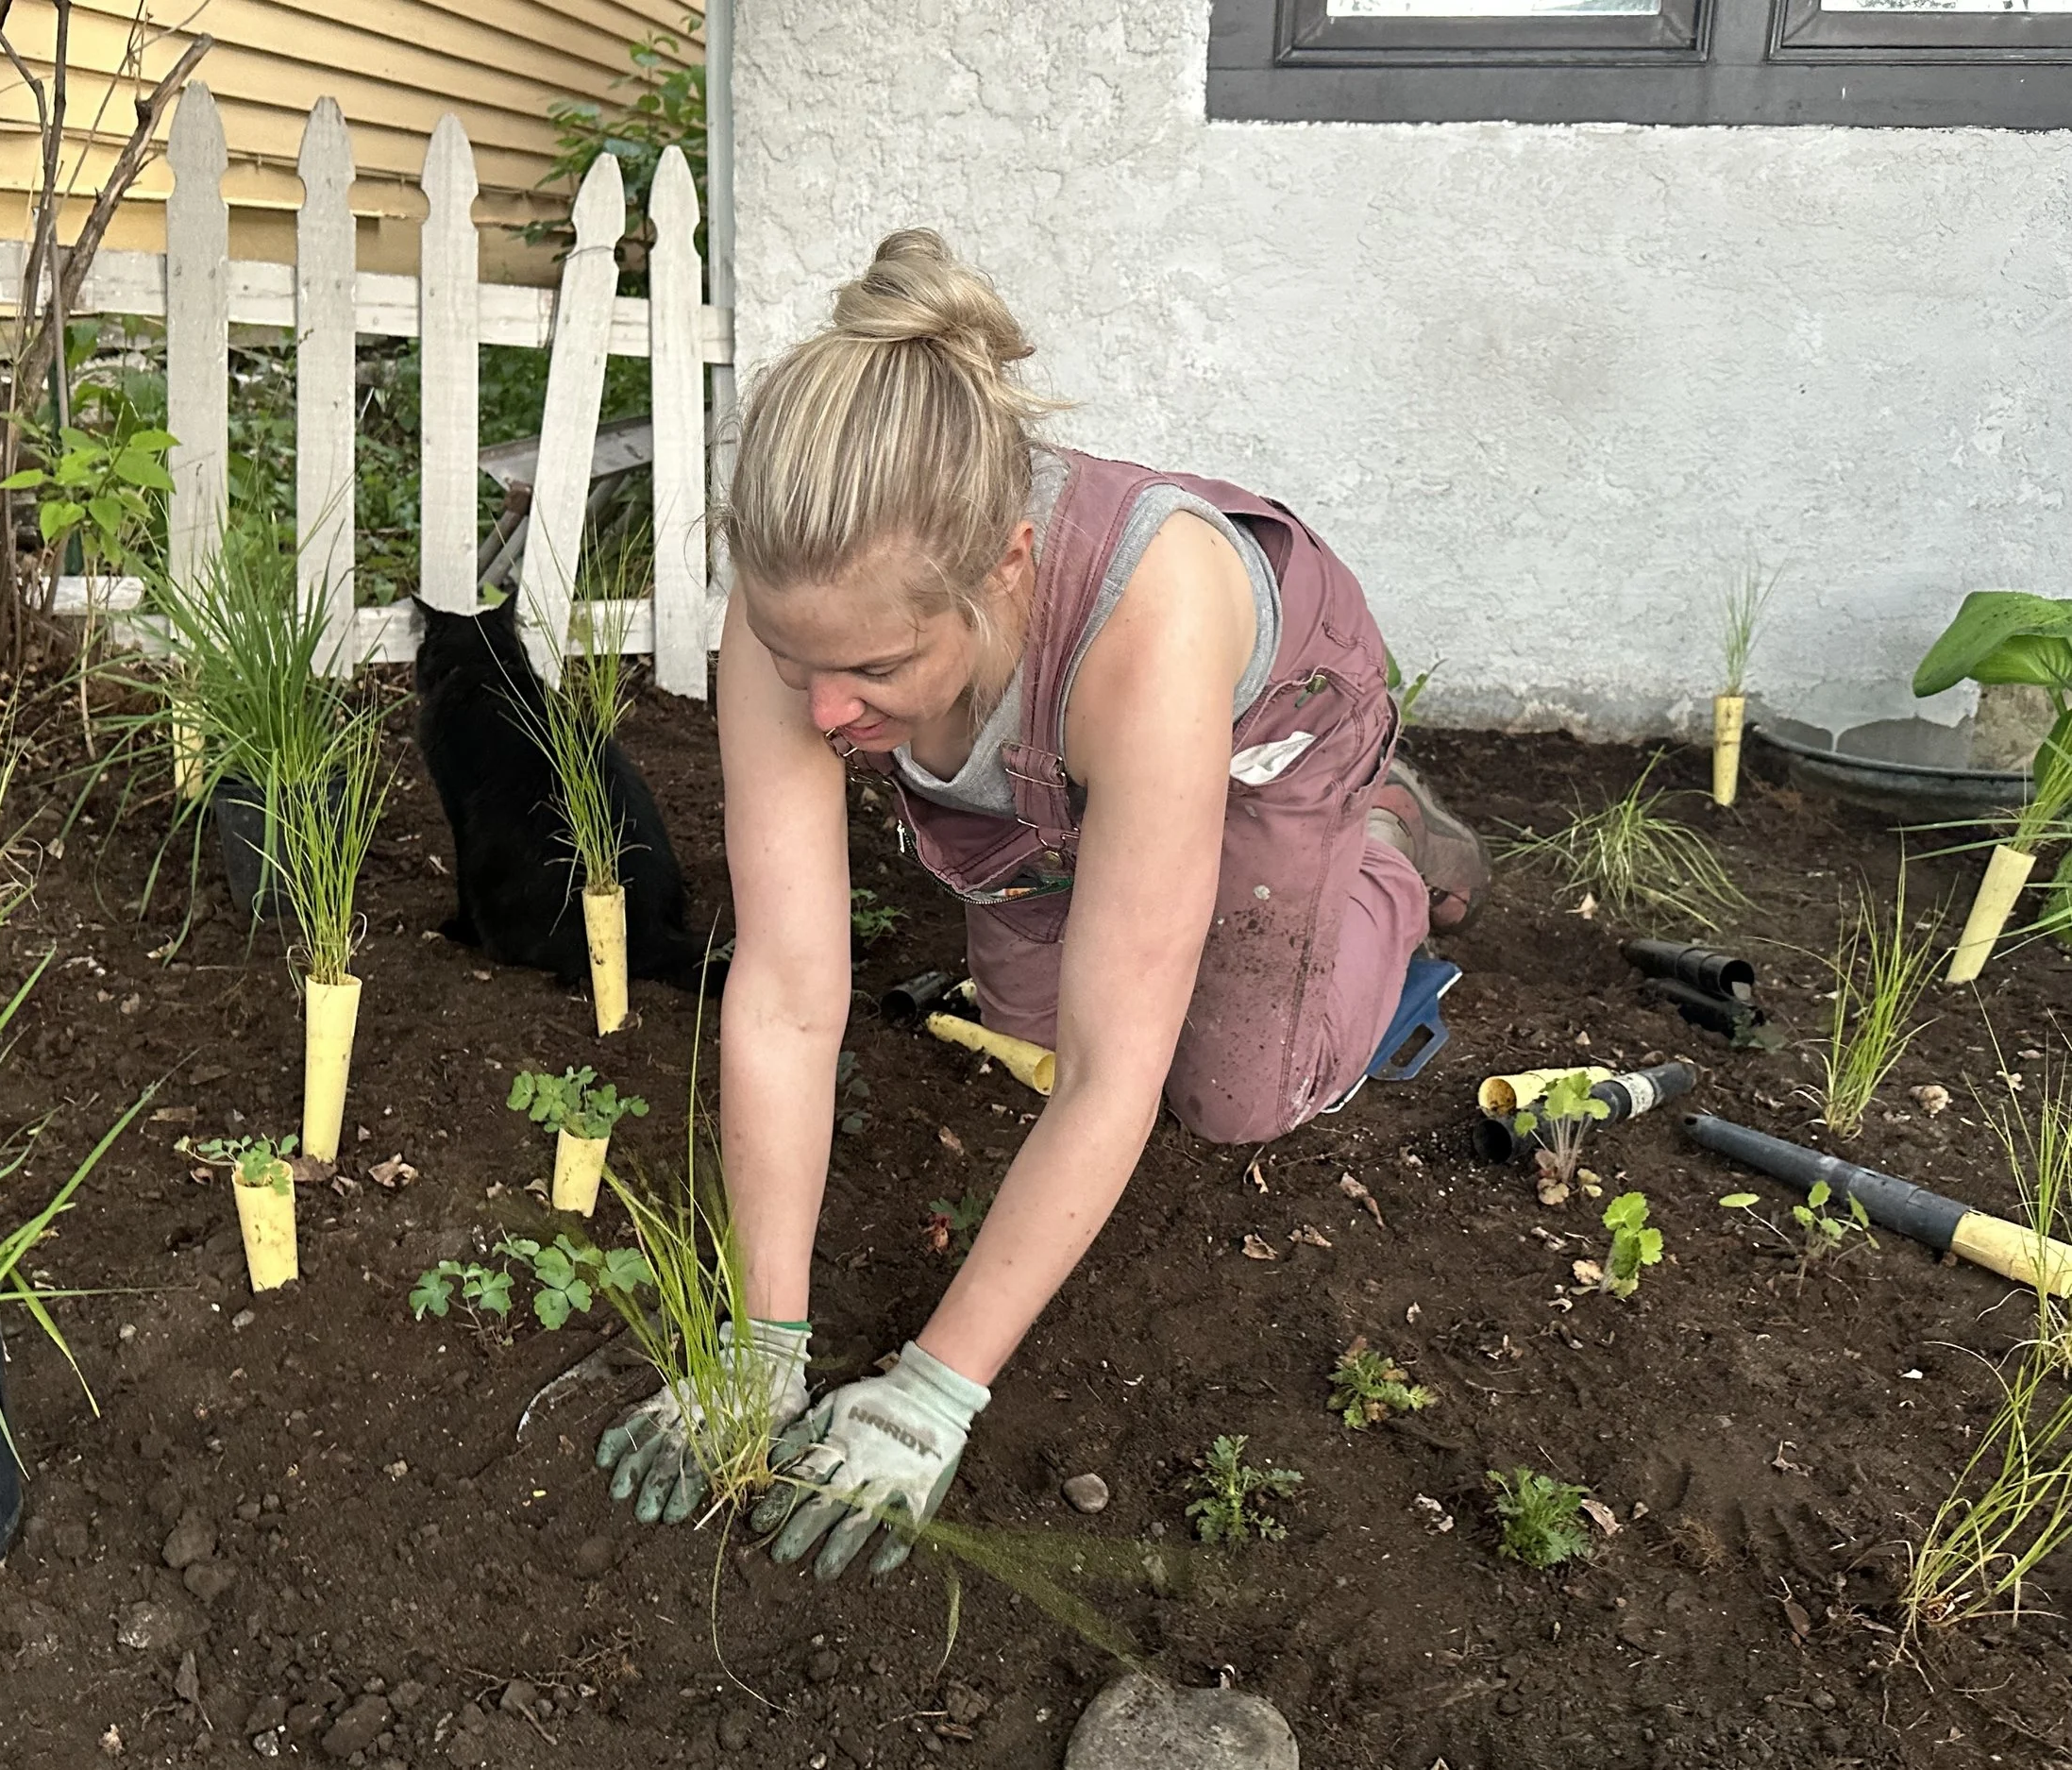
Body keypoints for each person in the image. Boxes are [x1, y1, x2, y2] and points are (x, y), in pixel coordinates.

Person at [595, 230, 1488, 1578]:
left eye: (872, 670)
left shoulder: (1152, 623)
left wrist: (932, 1387)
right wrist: (759, 1353)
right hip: (1058, 751)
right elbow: (785, 995)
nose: (824, 711)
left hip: (1257, 725)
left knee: (1230, 1090)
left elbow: (1118, 1082)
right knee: (1037, 1033)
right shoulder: (812, 614)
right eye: (797, 663)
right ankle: (1103, 815)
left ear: (1007, 567)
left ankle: (1386, 846)